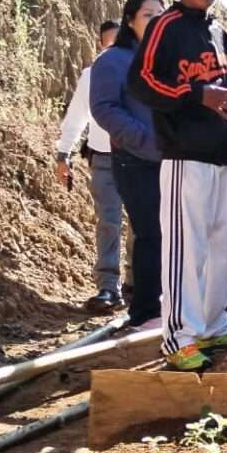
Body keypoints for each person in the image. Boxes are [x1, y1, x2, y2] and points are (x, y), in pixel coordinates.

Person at [128, 0, 227, 370]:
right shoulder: (165, 26)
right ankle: (178, 337)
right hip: (185, 157)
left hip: (224, 156)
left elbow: (220, 95)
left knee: (222, 245)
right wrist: (197, 94)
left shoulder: (219, 32)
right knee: (187, 248)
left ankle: (212, 325)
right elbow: (142, 82)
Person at [91, 0, 163, 328]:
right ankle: (145, 311)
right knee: (149, 233)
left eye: (160, 15)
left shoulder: (168, 59)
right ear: (131, 19)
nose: (155, 20)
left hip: (174, 159)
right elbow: (105, 108)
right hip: (134, 160)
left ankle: (169, 306)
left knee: (173, 234)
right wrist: (143, 138)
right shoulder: (113, 60)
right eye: (148, 14)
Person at [56, 19, 125, 312]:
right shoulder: (92, 74)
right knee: (108, 221)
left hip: (141, 158)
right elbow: (76, 117)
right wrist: (63, 153)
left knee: (142, 225)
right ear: (100, 44)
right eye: (108, 44)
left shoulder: (141, 72)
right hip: (104, 159)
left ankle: (139, 284)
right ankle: (108, 287)